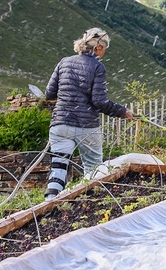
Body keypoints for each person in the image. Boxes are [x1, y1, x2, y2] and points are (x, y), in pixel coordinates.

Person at [43, 28, 134, 201]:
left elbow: (49, 93)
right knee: (93, 170)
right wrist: (122, 111)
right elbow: (99, 101)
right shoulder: (97, 66)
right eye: (105, 48)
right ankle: (88, 204)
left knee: (59, 167)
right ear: (99, 47)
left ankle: (49, 203)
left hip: (61, 123)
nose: (105, 52)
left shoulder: (64, 62)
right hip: (87, 127)